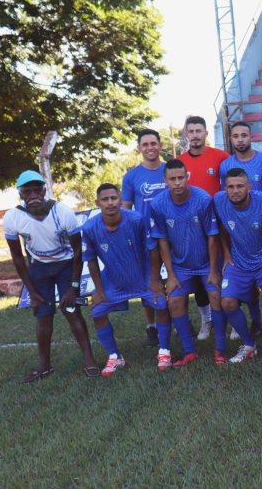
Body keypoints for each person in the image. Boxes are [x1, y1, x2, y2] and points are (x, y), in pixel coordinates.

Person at [6, 171, 98, 382]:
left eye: (37, 189)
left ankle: (90, 360)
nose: (33, 194)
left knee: (71, 310)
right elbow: (18, 258)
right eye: (27, 191)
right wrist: (31, 290)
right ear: (21, 194)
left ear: (44, 190)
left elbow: (78, 252)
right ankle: (44, 366)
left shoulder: (62, 212)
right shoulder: (13, 217)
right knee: (43, 316)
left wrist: (73, 286)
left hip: (66, 266)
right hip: (39, 270)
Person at [82, 184, 165, 375]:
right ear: (97, 203)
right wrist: (99, 290)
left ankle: (164, 351)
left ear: (120, 200)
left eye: (113, 198)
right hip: (114, 279)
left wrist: (155, 279)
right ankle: (114, 356)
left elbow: (153, 249)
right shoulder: (89, 227)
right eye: (105, 199)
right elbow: (91, 260)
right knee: (97, 310)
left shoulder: (136, 219)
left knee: (160, 302)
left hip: (142, 275)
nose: (110, 203)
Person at [149, 160, 221, 368]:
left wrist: (214, 269)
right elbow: (161, 241)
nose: (177, 182)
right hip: (181, 266)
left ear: (187, 177)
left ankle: (221, 348)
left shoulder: (203, 199)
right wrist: (170, 274)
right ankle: (190, 351)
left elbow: (212, 236)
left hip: (206, 262)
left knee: (216, 295)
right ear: (165, 181)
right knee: (174, 301)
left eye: (181, 177)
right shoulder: (158, 204)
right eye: (172, 179)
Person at [213, 169, 262, 362]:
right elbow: (221, 226)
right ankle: (248, 345)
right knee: (227, 302)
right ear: (224, 188)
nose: (235, 190)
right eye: (230, 186)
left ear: (249, 187)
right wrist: (227, 252)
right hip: (237, 260)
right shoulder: (219, 201)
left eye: (240, 186)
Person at [177, 116, 228, 339]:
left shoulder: (221, 157)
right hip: (191, 229)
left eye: (199, 130)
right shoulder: (179, 162)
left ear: (206, 133)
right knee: (199, 277)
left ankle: (233, 319)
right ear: (186, 134)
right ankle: (206, 321)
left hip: (219, 225)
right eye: (191, 131)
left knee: (225, 272)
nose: (195, 135)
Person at [121, 129, 168, 346]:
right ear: (139, 148)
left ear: (160, 145)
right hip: (144, 238)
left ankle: (178, 317)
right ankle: (151, 327)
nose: (150, 148)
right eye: (145, 144)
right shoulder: (131, 177)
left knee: (174, 280)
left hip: (172, 234)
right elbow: (126, 211)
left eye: (153, 143)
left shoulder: (171, 170)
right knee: (149, 282)